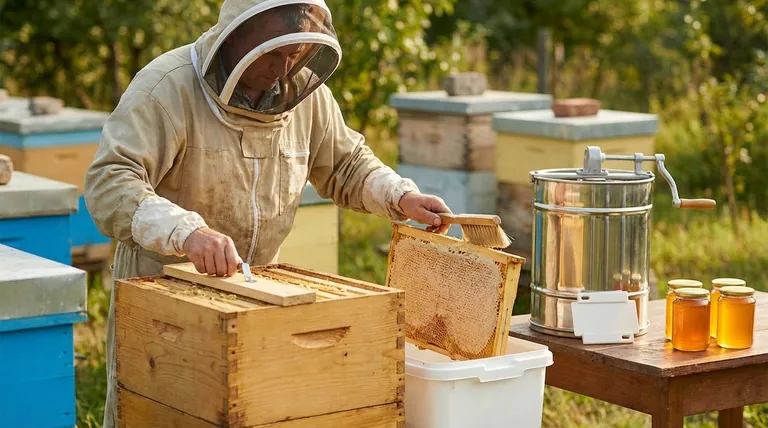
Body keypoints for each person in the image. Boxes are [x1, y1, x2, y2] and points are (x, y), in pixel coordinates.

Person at [83, 0, 452, 426]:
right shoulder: (167, 87)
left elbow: (347, 164)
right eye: (271, 55)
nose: (281, 70)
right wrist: (186, 232)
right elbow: (112, 181)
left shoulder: (306, 97)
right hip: (164, 289)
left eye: (292, 56)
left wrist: (400, 197)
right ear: (234, 37)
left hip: (260, 288)